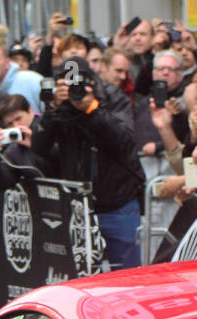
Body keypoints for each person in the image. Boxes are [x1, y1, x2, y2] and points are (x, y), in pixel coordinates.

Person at [31, 57, 144, 269]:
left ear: (91, 81)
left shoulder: (111, 97)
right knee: (80, 274)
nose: (75, 90)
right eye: (69, 84)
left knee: (126, 274)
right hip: (77, 208)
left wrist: (92, 109)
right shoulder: (58, 105)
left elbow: (125, 141)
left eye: (79, 83)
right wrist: (53, 109)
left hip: (117, 204)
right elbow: (38, 147)